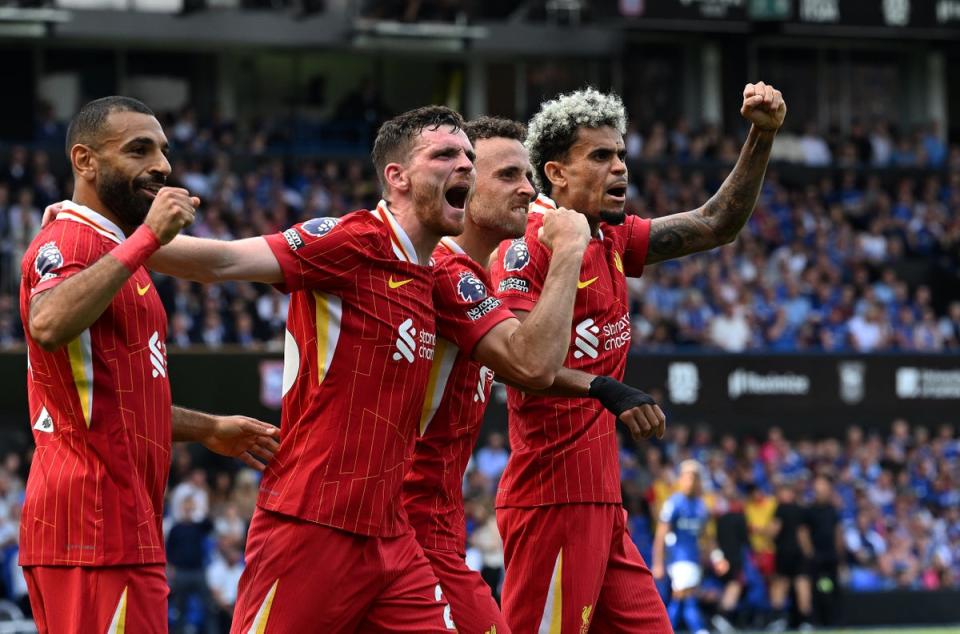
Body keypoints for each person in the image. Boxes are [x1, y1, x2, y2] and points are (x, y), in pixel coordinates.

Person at [108, 105, 594, 632]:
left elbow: (533, 360)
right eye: (446, 154)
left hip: (392, 540)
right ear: (397, 176)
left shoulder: (439, 273)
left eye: (470, 158)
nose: (465, 167)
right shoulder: (351, 240)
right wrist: (101, 231)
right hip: (310, 523)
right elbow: (219, 261)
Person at [488, 82, 785, 631]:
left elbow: (716, 223)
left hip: (605, 505)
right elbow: (521, 365)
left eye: (621, 154)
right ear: (556, 172)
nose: (620, 167)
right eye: (600, 156)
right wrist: (606, 388)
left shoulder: (614, 238)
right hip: (550, 502)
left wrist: (761, 136)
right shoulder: (524, 247)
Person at [19, 96, 280, 633]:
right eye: (139, 150)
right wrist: (144, 240)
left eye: (163, 151)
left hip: (116, 528)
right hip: (91, 529)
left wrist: (208, 428)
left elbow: (122, 406)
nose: (161, 166)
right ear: (85, 161)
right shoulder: (72, 241)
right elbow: (46, 324)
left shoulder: (117, 254)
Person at [401, 116, 665, 633]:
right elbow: (530, 366)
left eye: (525, 176)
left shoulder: (469, 279)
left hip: (441, 525)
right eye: (507, 176)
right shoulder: (452, 271)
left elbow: (714, 225)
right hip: (414, 526)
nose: (527, 190)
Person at [652, 460, 711, 634]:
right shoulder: (674, 503)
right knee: (684, 596)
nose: (691, 481)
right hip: (678, 558)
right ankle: (698, 629)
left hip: (694, 560)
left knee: (684, 598)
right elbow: (661, 535)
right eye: (688, 477)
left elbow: (706, 536)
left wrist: (715, 556)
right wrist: (657, 563)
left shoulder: (701, 506)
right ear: (681, 479)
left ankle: (665, 630)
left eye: (695, 478)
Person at [769, 481, 814, 631]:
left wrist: (764, 533)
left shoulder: (780, 509)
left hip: (784, 553)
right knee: (802, 585)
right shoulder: (801, 510)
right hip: (799, 554)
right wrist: (808, 552)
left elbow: (774, 530)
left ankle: (778, 620)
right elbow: (803, 534)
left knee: (781, 585)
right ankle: (805, 622)